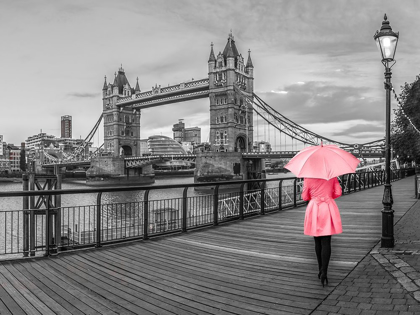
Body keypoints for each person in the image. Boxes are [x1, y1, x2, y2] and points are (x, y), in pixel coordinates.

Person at [301, 177, 342, 287]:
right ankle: (325, 271)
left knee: (317, 241)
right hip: (327, 207)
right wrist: (328, 196)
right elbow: (338, 192)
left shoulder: (308, 178)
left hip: (314, 208)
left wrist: (314, 196)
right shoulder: (332, 177)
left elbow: (304, 197)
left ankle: (320, 268)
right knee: (326, 242)